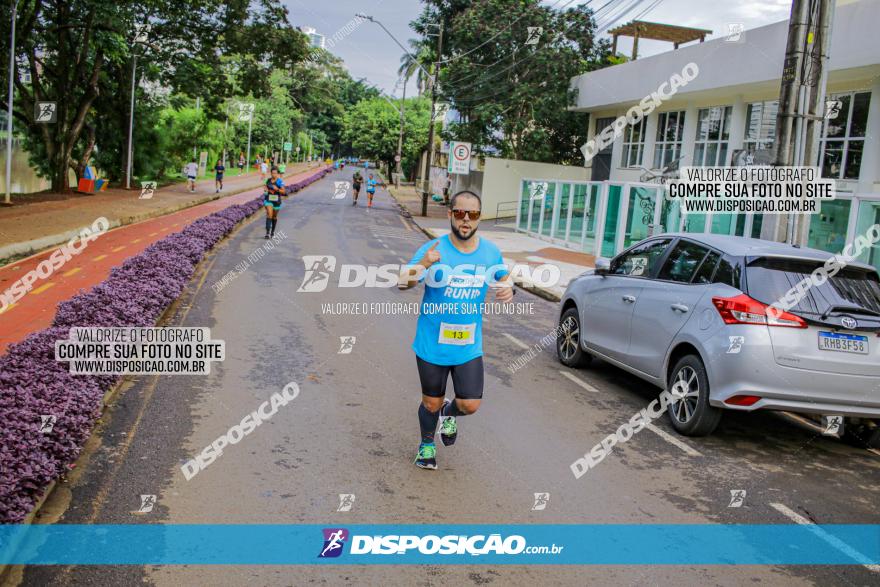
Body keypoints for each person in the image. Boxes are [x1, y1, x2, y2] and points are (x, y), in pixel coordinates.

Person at [398, 190, 514, 470]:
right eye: (460, 213)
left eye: (472, 214)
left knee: (470, 405)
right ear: (450, 214)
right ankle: (427, 445)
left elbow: (504, 274)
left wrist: (508, 286)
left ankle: (448, 413)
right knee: (430, 403)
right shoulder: (433, 249)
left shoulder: (489, 252)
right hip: (431, 344)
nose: (466, 220)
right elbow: (403, 282)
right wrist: (424, 264)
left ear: (479, 218)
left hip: (467, 346)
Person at [262, 167, 285, 239]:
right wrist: (265, 190)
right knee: (269, 214)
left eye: (275, 173)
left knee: (274, 216)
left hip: (277, 201)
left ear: (277, 174)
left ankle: (272, 232)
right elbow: (265, 188)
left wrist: (277, 189)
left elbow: (283, 191)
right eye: (272, 173)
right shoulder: (268, 180)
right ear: (271, 173)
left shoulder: (279, 181)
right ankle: (267, 233)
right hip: (268, 200)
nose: (273, 174)